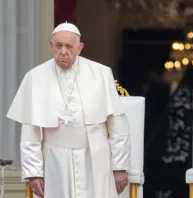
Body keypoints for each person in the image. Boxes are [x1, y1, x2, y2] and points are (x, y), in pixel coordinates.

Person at [6, 22, 131, 198]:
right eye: (58, 46)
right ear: (51, 46)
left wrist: (120, 167)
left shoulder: (101, 73)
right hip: (54, 161)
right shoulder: (35, 77)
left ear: (79, 48)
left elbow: (118, 126)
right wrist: (34, 172)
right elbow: (30, 132)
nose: (63, 51)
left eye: (69, 46)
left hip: (94, 158)